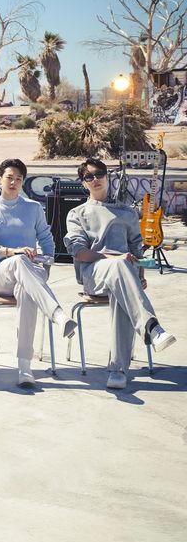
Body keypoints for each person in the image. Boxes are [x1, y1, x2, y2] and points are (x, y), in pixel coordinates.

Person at [64, 158, 176, 390]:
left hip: (123, 274)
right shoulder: (77, 213)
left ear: (107, 176)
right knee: (119, 267)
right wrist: (112, 258)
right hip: (93, 273)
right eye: (88, 177)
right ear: (83, 182)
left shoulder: (127, 212)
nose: (95, 179)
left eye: (99, 174)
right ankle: (152, 328)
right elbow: (80, 253)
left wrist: (140, 275)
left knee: (122, 285)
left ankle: (118, 370)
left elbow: (137, 249)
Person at [0, 158, 77, 387]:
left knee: (27, 291)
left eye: (18, 179)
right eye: (9, 178)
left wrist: (46, 266)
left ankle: (25, 367)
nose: (13, 182)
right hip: (1, 275)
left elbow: (46, 239)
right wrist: (11, 251)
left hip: (30, 275)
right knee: (20, 260)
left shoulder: (33, 208)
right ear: (0, 179)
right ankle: (58, 315)